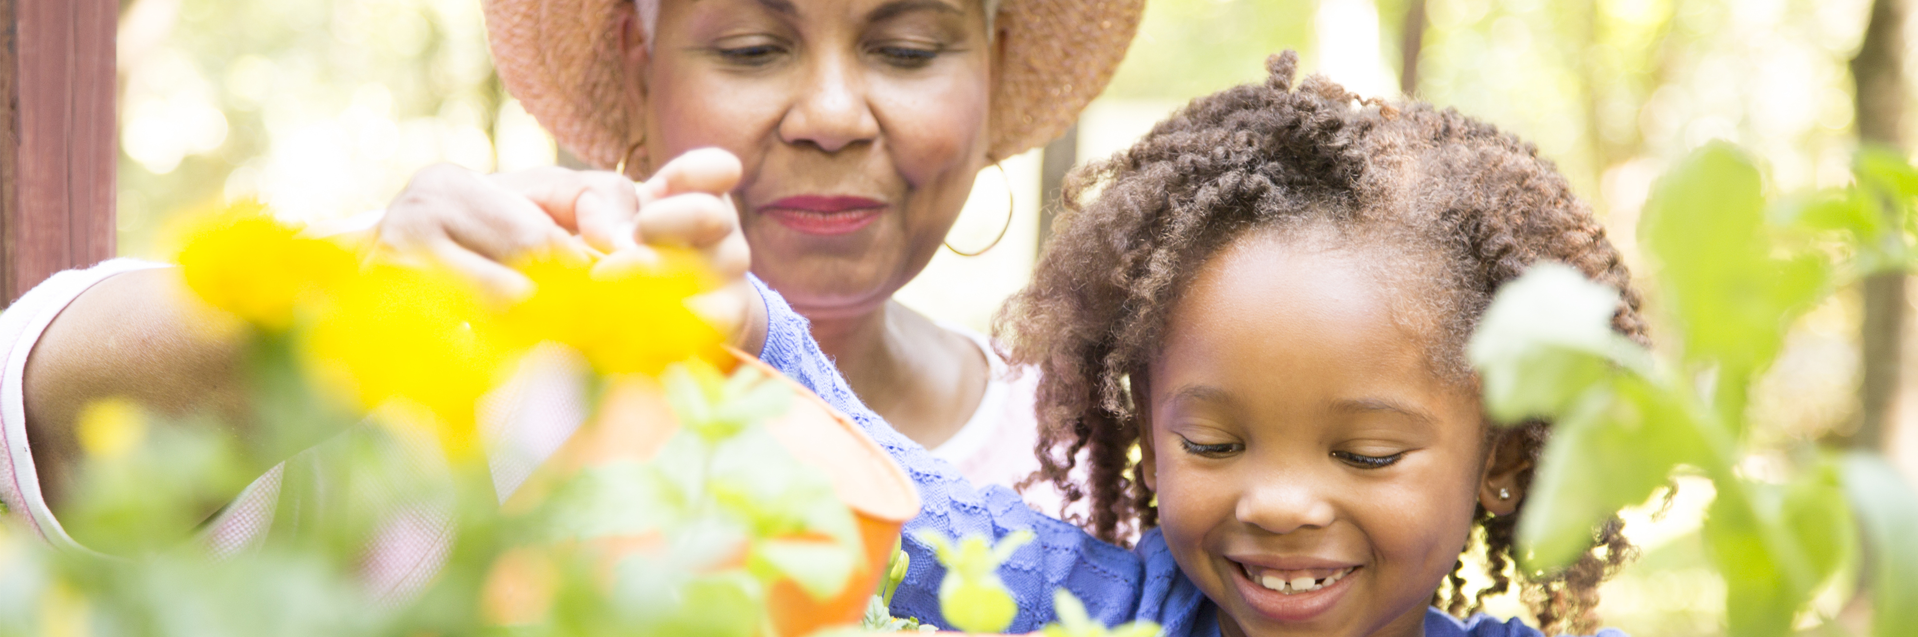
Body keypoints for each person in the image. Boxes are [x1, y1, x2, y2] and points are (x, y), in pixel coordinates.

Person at [0, 0, 1138, 567]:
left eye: (906, 48)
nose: (835, 115)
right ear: (640, 72)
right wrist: (332, 305)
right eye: (751, 47)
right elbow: (32, 412)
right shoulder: (467, 360)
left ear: (988, 72)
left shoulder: (1097, 458)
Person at [862, 52, 1641, 635]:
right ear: (1149, 430)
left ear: (1501, 461)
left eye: (1365, 453)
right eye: (1211, 442)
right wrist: (751, 320)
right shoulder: (1091, 609)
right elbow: (897, 501)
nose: (1277, 504)